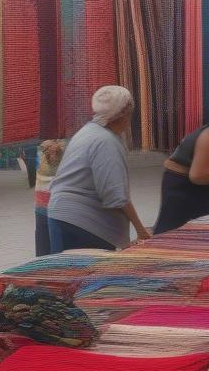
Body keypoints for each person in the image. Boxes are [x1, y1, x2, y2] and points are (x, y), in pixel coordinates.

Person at [46, 85, 150, 253]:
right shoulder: (106, 141)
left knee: (68, 276)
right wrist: (141, 230)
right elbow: (116, 195)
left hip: (64, 216)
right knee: (84, 277)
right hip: (83, 223)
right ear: (125, 114)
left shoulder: (88, 131)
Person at [33, 138, 66, 257]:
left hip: (41, 208)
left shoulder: (40, 154)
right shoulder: (67, 156)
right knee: (59, 253)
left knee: (43, 252)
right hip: (60, 209)